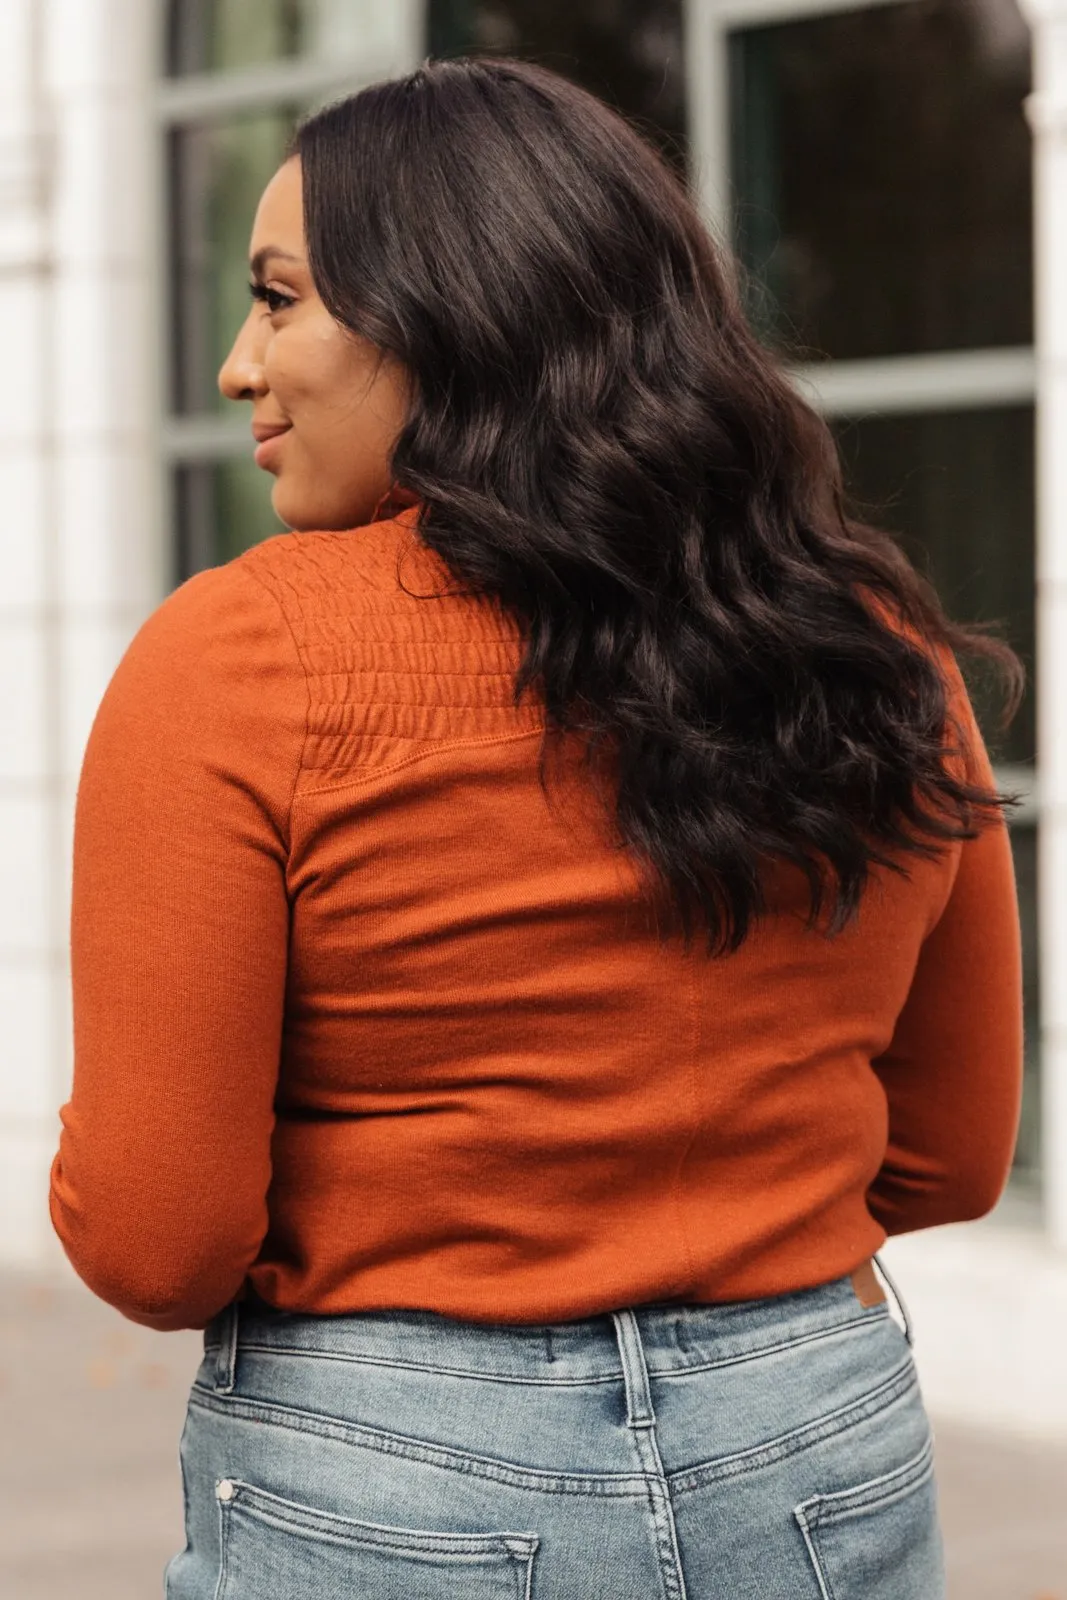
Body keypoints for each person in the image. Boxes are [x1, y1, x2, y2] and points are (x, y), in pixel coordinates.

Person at [48, 55, 1023, 1600]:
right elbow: (957, 1155)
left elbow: (156, 1241)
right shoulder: (869, 638)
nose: (238, 365)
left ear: (449, 314)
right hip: (812, 1446)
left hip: (393, 1464)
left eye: (281, 300)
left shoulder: (238, 657)